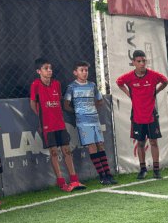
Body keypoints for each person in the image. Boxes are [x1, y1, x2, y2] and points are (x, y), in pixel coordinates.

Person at [30, 57, 85, 192]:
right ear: (38, 71)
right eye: (46, 68)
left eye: (50, 68)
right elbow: (33, 103)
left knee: (67, 150)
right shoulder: (35, 85)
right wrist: (42, 118)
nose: (49, 70)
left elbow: (58, 101)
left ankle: (74, 179)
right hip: (47, 125)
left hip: (60, 123)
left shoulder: (56, 84)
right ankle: (61, 182)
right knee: (53, 152)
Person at [115, 50, 168, 180]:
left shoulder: (153, 75)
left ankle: (156, 170)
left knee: (153, 142)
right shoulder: (129, 77)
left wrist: (156, 91)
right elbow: (119, 82)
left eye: (144, 61)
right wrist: (129, 94)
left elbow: (165, 81)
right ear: (133, 62)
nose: (142, 63)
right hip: (137, 116)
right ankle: (143, 169)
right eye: (139, 61)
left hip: (151, 115)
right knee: (140, 143)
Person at [64, 61, 117, 185]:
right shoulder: (72, 87)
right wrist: (78, 112)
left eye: (86, 70)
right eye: (81, 70)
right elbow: (66, 105)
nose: (84, 72)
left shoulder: (92, 85)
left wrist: (92, 109)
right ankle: (102, 176)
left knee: (100, 145)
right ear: (75, 72)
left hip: (94, 119)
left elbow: (100, 100)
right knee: (92, 146)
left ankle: (108, 174)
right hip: (83, 122)